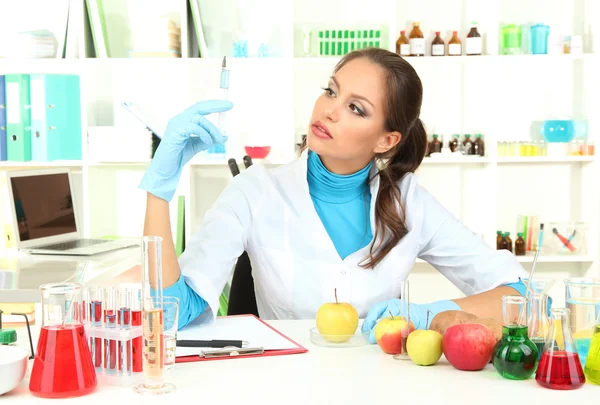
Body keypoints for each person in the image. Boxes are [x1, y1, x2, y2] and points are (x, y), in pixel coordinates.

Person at [139, 48, 528, 342]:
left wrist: (429, 314)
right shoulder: (254, 191)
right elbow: (172, 314)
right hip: (282, 386)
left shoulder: (410, 203)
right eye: (331, 91)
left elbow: (521, 296)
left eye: (356, 108)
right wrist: (159, 189)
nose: (329, 111)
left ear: (386, 140)